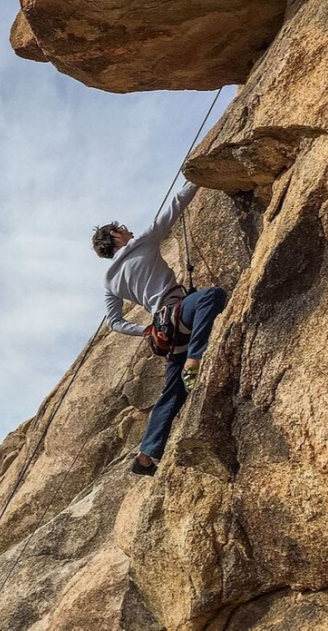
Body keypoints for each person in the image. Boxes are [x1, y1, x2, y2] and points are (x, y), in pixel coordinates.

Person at [92, 181, 227, 476]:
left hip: (163, 329)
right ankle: (195, 357)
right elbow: (177, 203)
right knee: (211, 297)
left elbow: (114, 321)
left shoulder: (110, 282)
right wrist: (196, 174)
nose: (127, 230)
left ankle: (145, 457)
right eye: (122, 228)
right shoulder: (141, 242)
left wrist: (143, 330)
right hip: (179, 312)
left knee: (171, 391)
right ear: (115, 235)